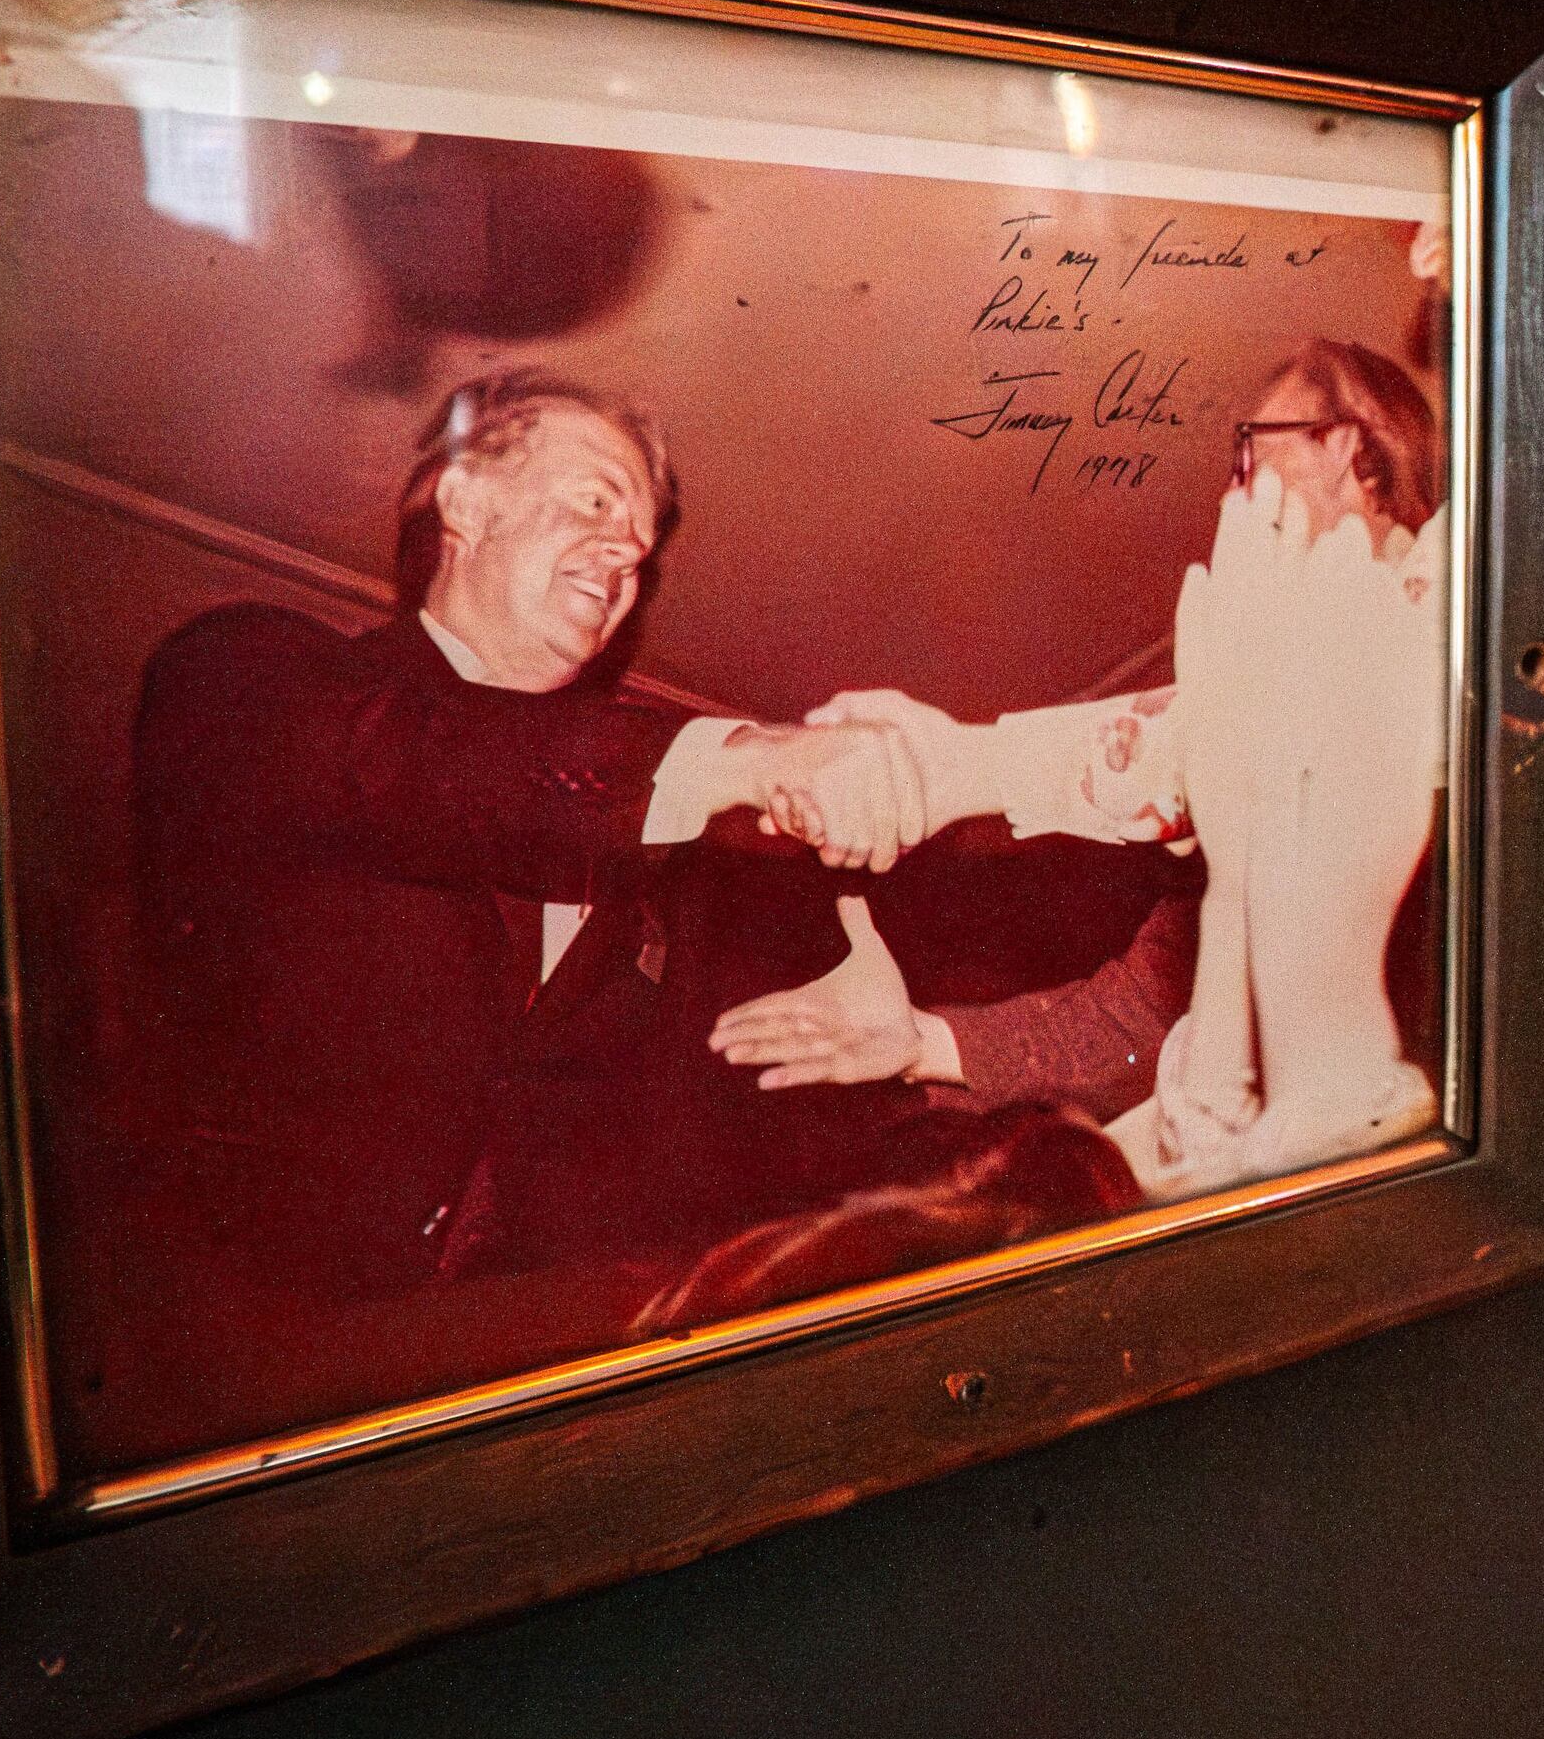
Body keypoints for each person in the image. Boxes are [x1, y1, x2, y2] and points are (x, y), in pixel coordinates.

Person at [123, 367, 937, 1306]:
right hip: (241, 1322)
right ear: (466, 502)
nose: (626, 553)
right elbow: (399, 764)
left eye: (641, 548)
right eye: (596, 500)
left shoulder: (667, 874)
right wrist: (741, 758)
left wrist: (921, 1055)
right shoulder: (247, 672)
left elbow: (739, 1148)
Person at [707, 339, 1451, 1196]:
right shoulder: (1263, 758)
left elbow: (1287, 732)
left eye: (1250, 450)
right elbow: (1137, 1018)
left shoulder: (1468, 581)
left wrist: (955, 769)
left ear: (1349, 444)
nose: (1230, 489)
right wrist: (922, 1041)